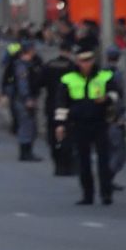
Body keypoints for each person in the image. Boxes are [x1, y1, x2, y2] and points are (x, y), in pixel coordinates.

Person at [53, 49, 118, 205]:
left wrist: (106, 98)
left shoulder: (104, 76)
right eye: (83, 61)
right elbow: (61, 104)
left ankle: (106, 193)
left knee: (104, 160)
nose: (86, 64)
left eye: (89, 60)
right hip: (78, 124)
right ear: (77, 62)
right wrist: (60, 125)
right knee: (83, 161)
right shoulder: (68, 79)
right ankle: (87, 195)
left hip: (100, 122)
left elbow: (116, 94)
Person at [40, 41, 77, 177]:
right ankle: (67, 165)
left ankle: (57, 165)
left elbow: (40, 82)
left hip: (51, 104)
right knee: (68, 136)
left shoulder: (49, 65)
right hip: (68, 105)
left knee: (53, 135)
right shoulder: (72, 67)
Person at [11, 40, 43, 162]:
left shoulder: (30, 64)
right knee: (26, 126)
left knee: (30, 126)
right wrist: (27, 98)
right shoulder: (22, 65)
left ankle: (28, 151)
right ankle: (25, 153)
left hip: (29, 98)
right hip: (23, 100)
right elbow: (22, 84)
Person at [104, 45, 126, 187]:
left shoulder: (100, 74)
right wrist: (120, 117)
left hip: (104, 118)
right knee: (119, 151)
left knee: (109, 150)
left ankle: (108, 179)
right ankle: (108, 178)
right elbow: (118, 99)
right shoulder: (116, 75)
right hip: (113, 117)